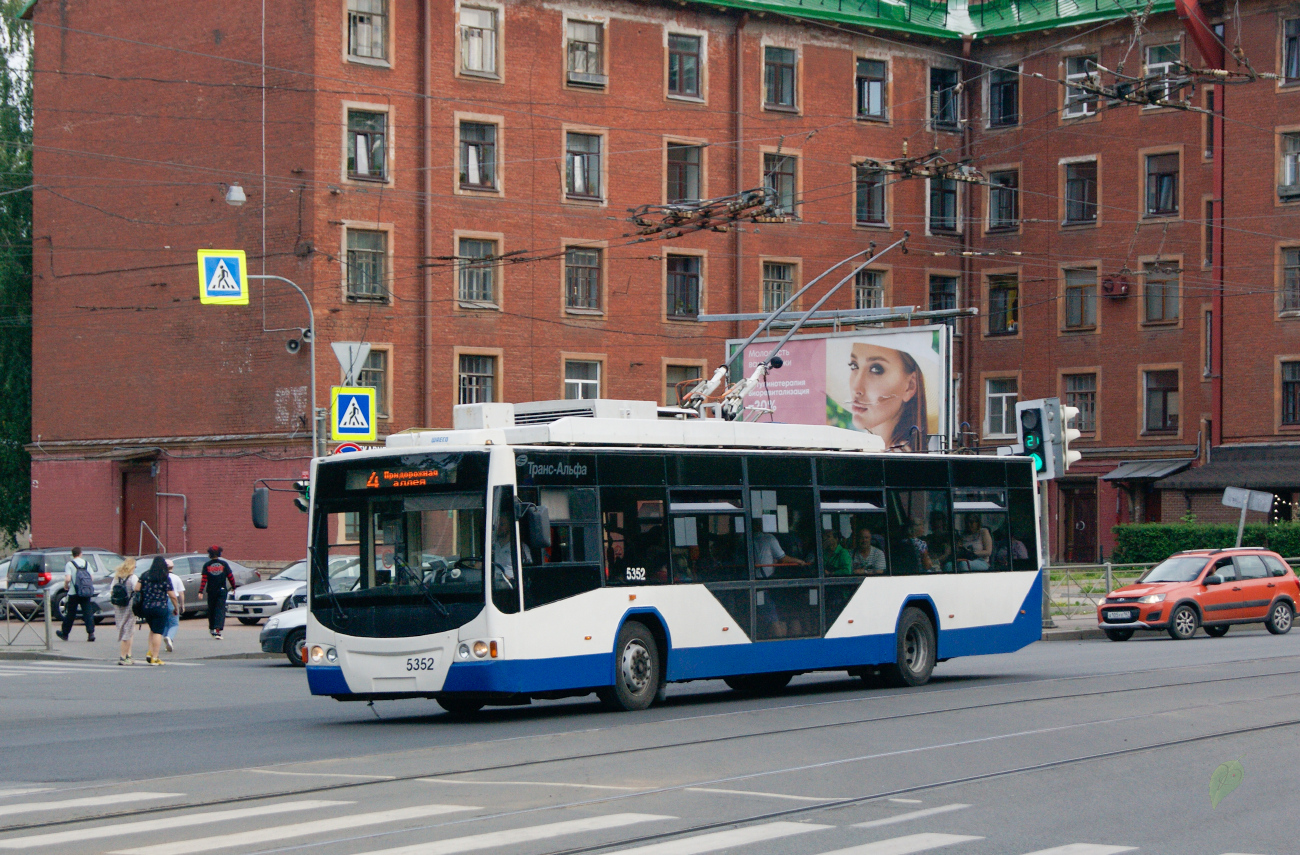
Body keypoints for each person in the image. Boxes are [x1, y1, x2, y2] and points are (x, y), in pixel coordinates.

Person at [844, 342, 928, 452]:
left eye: (876, 369)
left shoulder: (903, 459)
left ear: (910, 386)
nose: (856, 388)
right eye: (854, 366)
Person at [138, 556, 178, 665]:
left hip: (146, 607)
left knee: (152, 629)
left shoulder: (145, 575)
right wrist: (176, 607)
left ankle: (150, 652)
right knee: (158, 632)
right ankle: (155, 657)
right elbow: (172, 596)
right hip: (160, 607)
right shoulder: (165, 577)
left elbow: (137, 588)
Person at [55, 547, 96, 642]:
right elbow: (91, 577)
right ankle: (91, 633)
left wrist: (66, 586)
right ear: (81, 553)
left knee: (70, 613)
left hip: (73, 592)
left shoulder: (70, 564)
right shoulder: (86, 563)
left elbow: (68, 579)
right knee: (87, 612)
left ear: (72, 554)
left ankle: (65, 634)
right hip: (85, 592)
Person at [197, 546, 238, 639]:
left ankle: (212, 628)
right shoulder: (224, 564)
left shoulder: (207, 565)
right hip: (222, 590)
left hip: (211, 590)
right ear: (219, 553)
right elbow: (230, 576)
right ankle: (218, 629)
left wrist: (201, 591)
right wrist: (233, 587)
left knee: (211, 609)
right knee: (220, 610)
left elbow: (204, 579)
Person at [109, 557, 138, 664]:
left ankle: (128, 655)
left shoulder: (117, 577)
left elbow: (111, 591)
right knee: (128, 631)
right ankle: (123, 657)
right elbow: (137, 589)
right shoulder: (133, 577)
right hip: (129, 606)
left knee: (124, 629)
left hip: (118, 606)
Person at [163, 559, 184, 652]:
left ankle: (166, 638)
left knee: (165, 623)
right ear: (172, 567)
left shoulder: (161, 577)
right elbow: (181, 593)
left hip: (162, 601)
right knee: (174, 623)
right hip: (172, 600)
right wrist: (182, 605)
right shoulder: (176, 578)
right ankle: (169, 637)